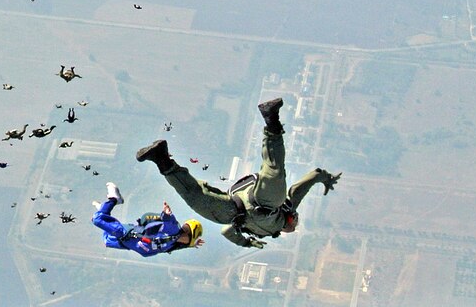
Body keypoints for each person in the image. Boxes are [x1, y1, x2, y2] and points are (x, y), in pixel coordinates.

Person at [136, 98, 341, 249]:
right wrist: (325, 178)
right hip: (265, 202)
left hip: (233, 211)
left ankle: (160, 157)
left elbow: (227, 231)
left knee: (194, 196)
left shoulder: (262, 231)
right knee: (274, 171)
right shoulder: (286, 207)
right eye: (295, 223)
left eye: (293, 226)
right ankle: (271, 120)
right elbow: (305, 184)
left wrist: (246, 242)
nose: (294, 226)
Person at [91, 182, 204, 257]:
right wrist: (166, 214)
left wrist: (192, 245)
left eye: (187, 232)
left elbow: (183, 244)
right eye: (185, 229)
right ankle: (113, 199)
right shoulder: (174, 230)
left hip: (131, 244)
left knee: (107, 240)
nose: (183, 232)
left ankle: (104, 209)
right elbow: (167, 222)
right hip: (129, 234)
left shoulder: (174, 244)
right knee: (97, 219)